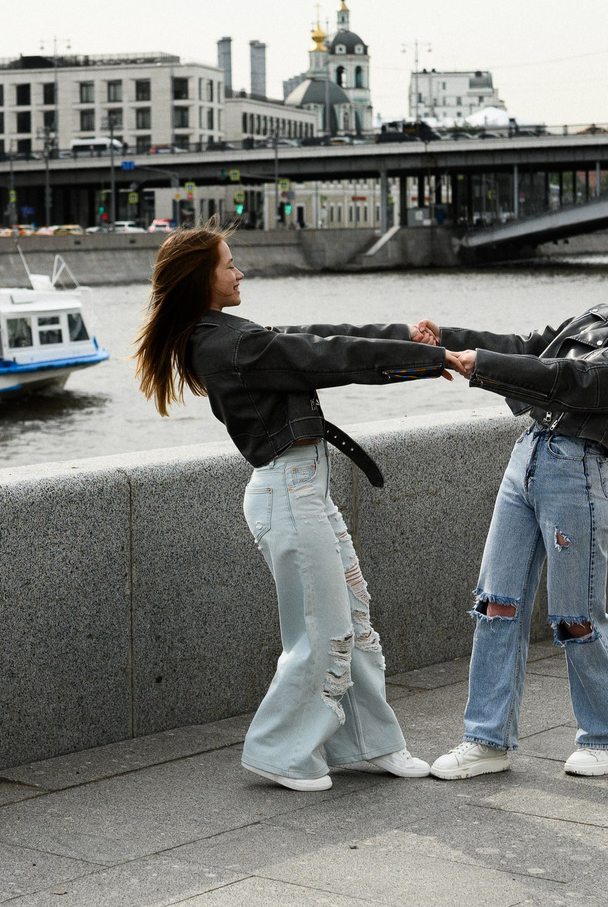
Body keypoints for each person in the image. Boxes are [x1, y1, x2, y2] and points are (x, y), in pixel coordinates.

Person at [410, 232, 608, 779]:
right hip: (528, 458)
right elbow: (533, 346)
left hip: (576, 474)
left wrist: (481, 367)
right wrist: (449, 338)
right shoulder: (600, 316)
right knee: (496, 601)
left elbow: (576, 380)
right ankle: (487, 740)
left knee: (577, 615)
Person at [135, 228, 452, 792]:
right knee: (321, 632)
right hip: (287, 495)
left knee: (352, 621)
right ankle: (279, 753)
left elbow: (315, 339)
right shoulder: (228, 344)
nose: (239, 274)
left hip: (307, 493)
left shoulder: (231, 335)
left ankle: (370, 743)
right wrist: (423, 358)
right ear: (200, 279)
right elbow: (327, 357)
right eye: (230, 266)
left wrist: (405, 338)